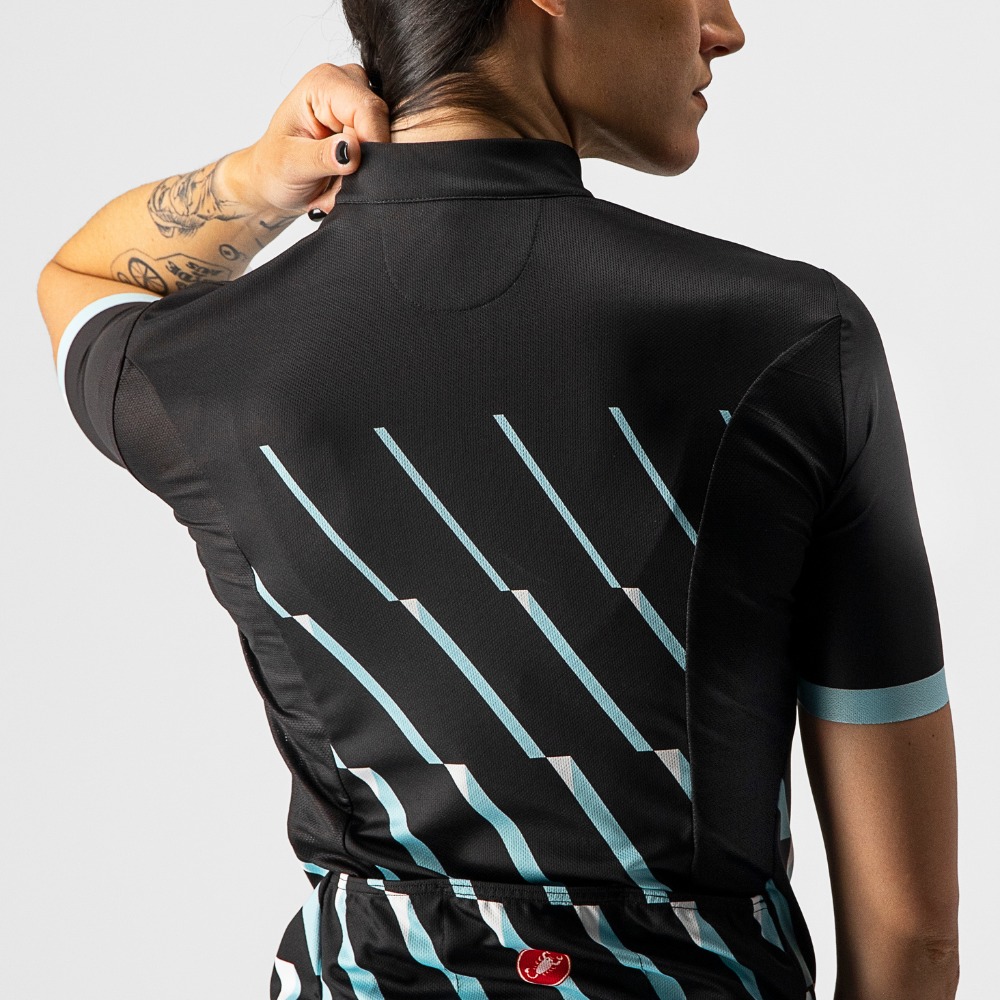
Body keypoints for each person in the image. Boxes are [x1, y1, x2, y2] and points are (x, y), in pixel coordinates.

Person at [37, 0, 959, 998]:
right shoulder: (791, 343)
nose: (724, 27)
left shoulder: (211, 369)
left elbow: (79, 277)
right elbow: (911, 934)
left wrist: (255, 179)